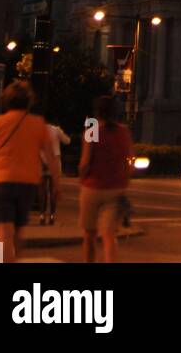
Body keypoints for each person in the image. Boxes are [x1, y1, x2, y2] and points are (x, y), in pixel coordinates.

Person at [0, 81, 57, 263]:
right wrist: (55, 185)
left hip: (0, 182)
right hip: (27, 183)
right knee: (18, 230)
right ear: (29, 101)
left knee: (4, 231)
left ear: (6, 101)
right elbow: (51, 158)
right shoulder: (38, 124)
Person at [78, 95, 132, 263]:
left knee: (89, 235)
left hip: (93, 187)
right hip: (115, 189)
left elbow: (85, 163)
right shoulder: (123, 132)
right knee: (109, 236)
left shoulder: (92, 131)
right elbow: (129, 159)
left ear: (97, 113)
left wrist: (81, 177)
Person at [39, 117, 70, 225]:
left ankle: (42, 215)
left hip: (41, 162)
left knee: (42, 191)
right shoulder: (56, 130)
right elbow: (67, 141)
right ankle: (52, 216)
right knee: (53, 191)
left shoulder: (39, 129)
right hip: (55, 162)